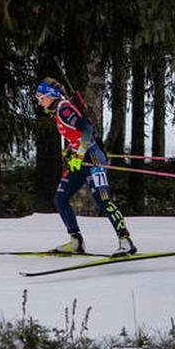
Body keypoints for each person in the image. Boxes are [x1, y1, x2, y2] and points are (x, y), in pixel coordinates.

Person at [35, 77, 137, 256]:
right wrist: (70, 150)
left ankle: (125, 240)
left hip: (93, 158)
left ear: (51, 96)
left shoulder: (64, 109)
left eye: (41, 97)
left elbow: (87, 130)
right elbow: (76, 135)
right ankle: (76, 241)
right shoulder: (59, 111)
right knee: (61, 198)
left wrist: (80, 153)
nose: (40, 102)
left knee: (102, 199)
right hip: (81, 160)